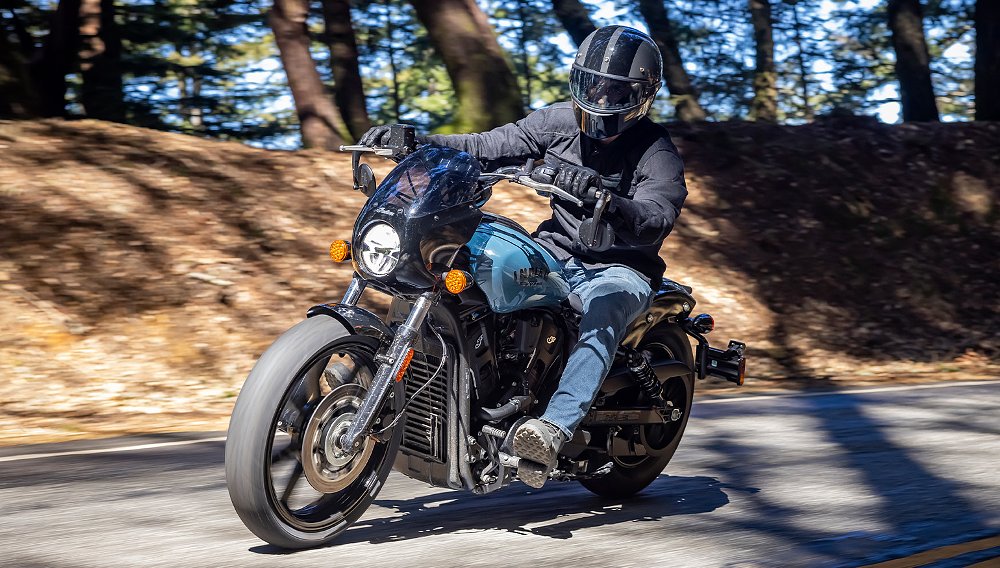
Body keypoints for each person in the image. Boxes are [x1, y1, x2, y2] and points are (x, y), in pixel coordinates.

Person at [359, 25, 688, 489]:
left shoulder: (656, 151)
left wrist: (609, 201)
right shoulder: (556, 122)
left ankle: (550, 428)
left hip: (619, 267)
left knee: (606, 305)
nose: (602, 96)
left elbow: (657, 215)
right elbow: (485, 146)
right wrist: (417, 140)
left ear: (642, 96)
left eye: (617, 90)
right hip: (553, 250)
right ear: (579, 80)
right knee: (465, 251)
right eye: (594, 83)